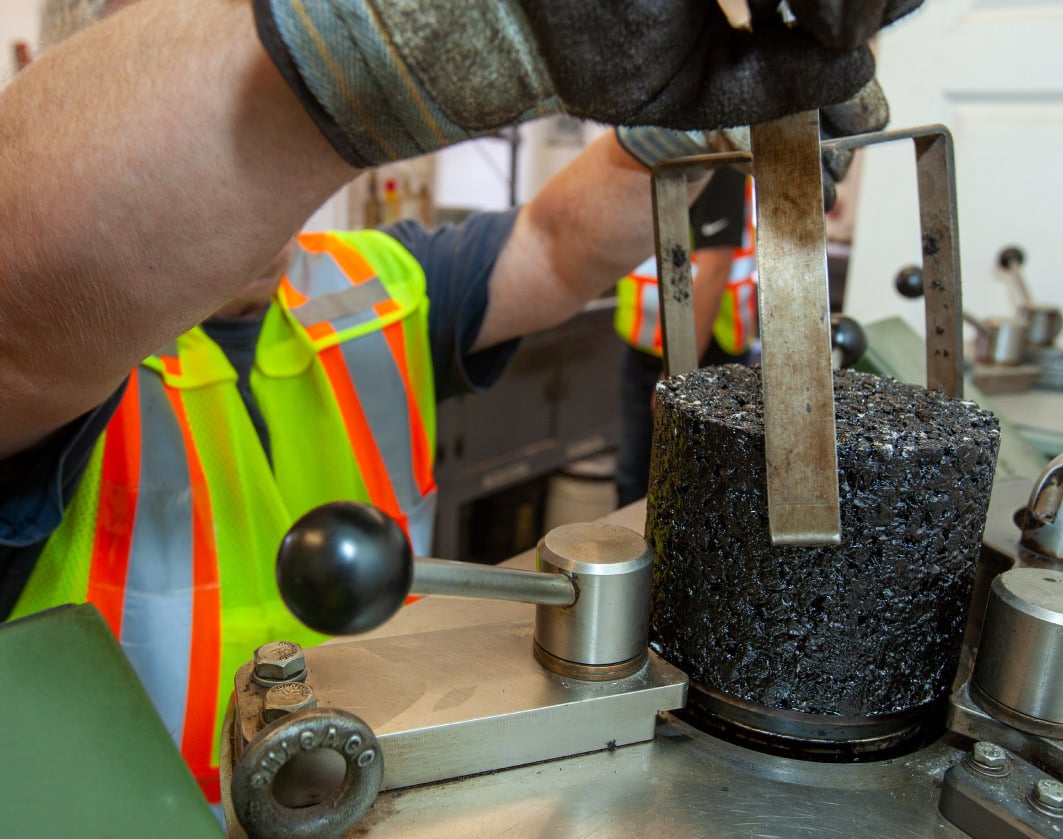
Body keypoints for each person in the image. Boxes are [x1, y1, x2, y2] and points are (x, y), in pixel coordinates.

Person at [0, 0, 921, 808]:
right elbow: (30, 272)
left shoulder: (372, 285)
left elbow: (557, 246)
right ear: (42, 86)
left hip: (369, 797)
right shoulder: (43, 352)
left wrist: (674, 138)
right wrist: (370, 33)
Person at [614, 166, 758, 507]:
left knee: (690, 492)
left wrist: (675, 376)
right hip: (646, 350)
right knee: (634, 481)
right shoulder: (657, 152)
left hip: (702, 361)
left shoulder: (716, 162)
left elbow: (715, 268)